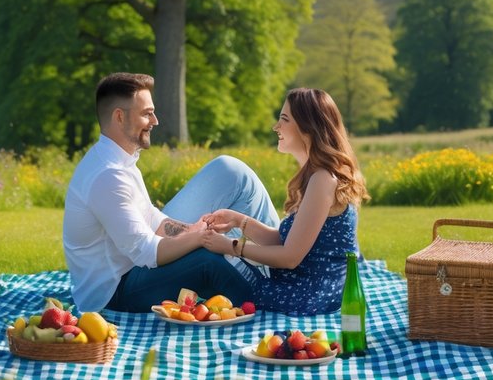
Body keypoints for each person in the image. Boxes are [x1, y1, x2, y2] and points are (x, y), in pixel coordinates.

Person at [62, 72, 279, 313]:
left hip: (130, 267)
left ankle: (276, 264)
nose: (155, 120)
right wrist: (200, 239)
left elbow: (153, 219)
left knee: (220, 212)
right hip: (114, 291)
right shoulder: (108, 175)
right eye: (146, 113)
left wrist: (196, 229)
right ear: (120, 117)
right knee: (208, 263)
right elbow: (147, 252)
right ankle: (271, 297)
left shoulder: (119, 161)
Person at [201, 88, 368, 314]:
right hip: (304, 288)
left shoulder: (322, 180)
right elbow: (283, 240)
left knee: (209, 264)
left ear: (307, 128)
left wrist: (232, 246)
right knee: (212, 262)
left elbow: (289, 257)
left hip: (308, 295)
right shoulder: (316, 176)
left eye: (284, 119)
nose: (276, 127)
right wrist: (238, 220)